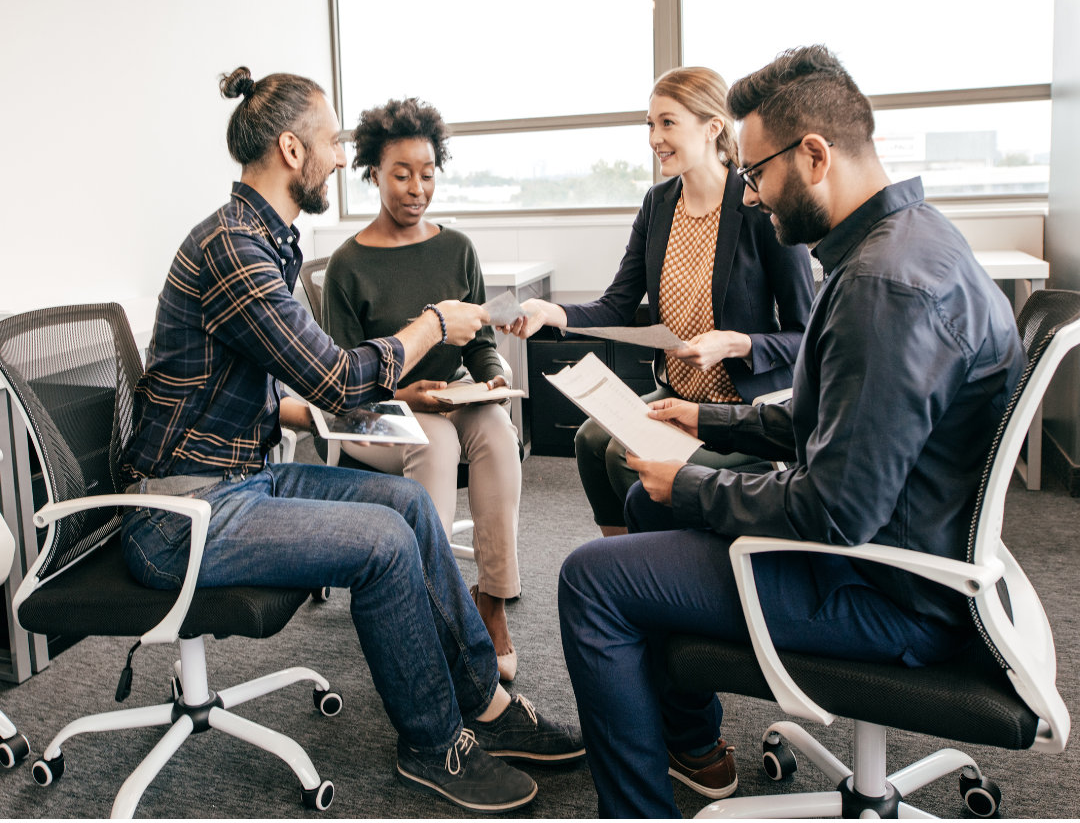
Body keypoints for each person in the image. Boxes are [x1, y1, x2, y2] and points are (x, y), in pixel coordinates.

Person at [557, 45, 1025, 818]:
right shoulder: (911, 237)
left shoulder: (882, 288)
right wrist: (708, 420)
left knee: (591, 579)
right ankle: (690, 742)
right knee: (646, 509)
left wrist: (700, 480)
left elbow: (833, 512)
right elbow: (829, 415)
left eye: (758, 173)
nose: (750, 194)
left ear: (813, 156)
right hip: (908, 546)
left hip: (886, 590)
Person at [120, 66, 583, 815]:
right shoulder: (235, 248)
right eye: (332, 140)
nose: (341, 155)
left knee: (405, 503)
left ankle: (486, 707)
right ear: (292, 151)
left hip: (242, 479)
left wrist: (324, 416)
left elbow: (270, 390)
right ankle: (434, 744)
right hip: (183, 516)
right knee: (382, 544)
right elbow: (337, 377)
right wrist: (433, 325)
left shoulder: (264, 241)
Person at [509, 66, 814, 535]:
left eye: (667, 123)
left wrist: (735, 344)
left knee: (623, 456)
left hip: (741, 410)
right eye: (650, 125)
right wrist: (552, 313)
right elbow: (617, 304)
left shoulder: (757, 205)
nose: (654, 137)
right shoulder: (658, 203)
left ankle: (655, 570)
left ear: (713, 126)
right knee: (591, 441)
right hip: (676, 396)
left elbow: (803, 333)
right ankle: (619, 561)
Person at [321, 98, 523, 682]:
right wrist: (409, 398)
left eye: (427, 174)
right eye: (401, 174)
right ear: (373, 175)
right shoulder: (347, 265)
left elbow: (480, 340)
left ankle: (492, 603)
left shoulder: (458, 248)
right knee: (434, 441)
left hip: (452, 395)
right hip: (375, 413)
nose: (416, 188)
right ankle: (434, 612)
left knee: (496, 431)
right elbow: (341, 380)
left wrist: (493, 376)